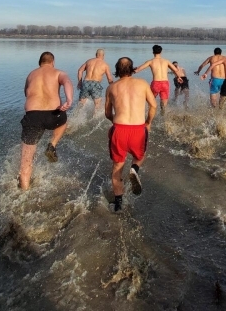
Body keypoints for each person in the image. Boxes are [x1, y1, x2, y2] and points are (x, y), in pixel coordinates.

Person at [105, 57, 157, 212]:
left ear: (117, 70)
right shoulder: (142, 83)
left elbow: (107, 113)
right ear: (132, 68)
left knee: (116, 169)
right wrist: (148, 122)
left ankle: (118, 205)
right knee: (140, 156)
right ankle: (135, 168)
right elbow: (153, 105)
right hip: (138, 129)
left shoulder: (112, 87)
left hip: (119, 129)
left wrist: (114, 123)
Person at [19, 52, 74, 190]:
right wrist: (69, 99)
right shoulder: (58, 72)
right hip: (53, 114)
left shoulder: (31, 75)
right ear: (52, 62)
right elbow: (67, 82)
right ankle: (52, 144)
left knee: (26, 162)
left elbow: (26, 93)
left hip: (33, 116)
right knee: (63, 122)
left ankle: (24, 192)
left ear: (40, 62)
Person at [133, 45, 179, 114]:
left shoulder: (150, 61)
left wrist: (130, 70)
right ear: (161, 52)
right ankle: (162, 117)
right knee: (164, 105)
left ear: (153, 52)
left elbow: (137, 70)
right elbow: (176, 70)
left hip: (156, 84)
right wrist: (178, 77)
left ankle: (150, 116)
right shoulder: (166, 61)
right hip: (165, 83)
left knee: (151, 102)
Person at [75, 48, 114, 119]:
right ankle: (94, 119)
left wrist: (79, 82)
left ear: (96, 55)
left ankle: (75, 119)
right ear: (103, 55)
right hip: (96, 84)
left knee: (81, 104)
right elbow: (109, 78)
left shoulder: (89, 61)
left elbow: (80, 70)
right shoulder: (105, 64)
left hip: (86, 82)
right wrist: (113, 88)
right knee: (97, 105)